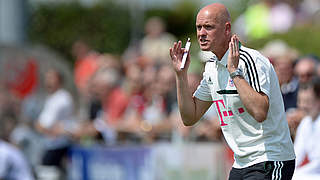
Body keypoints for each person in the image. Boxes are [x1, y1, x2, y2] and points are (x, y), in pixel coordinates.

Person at [169, 3, 295, 180]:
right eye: (199, 27)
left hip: (269, 159)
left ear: (227, 28)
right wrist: (180, 75)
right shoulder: (212, 67)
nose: (201, 34)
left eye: (209, 27)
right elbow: (190, 117)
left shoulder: (251, 60)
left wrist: (234, 73)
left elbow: (260, 112)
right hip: (241, 164)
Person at [292, 78, 320, 180]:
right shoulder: (305, 123)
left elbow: (318, 163)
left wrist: (294, 175)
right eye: (300, 101)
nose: (303, 106)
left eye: (307, 101)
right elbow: (297, 155)